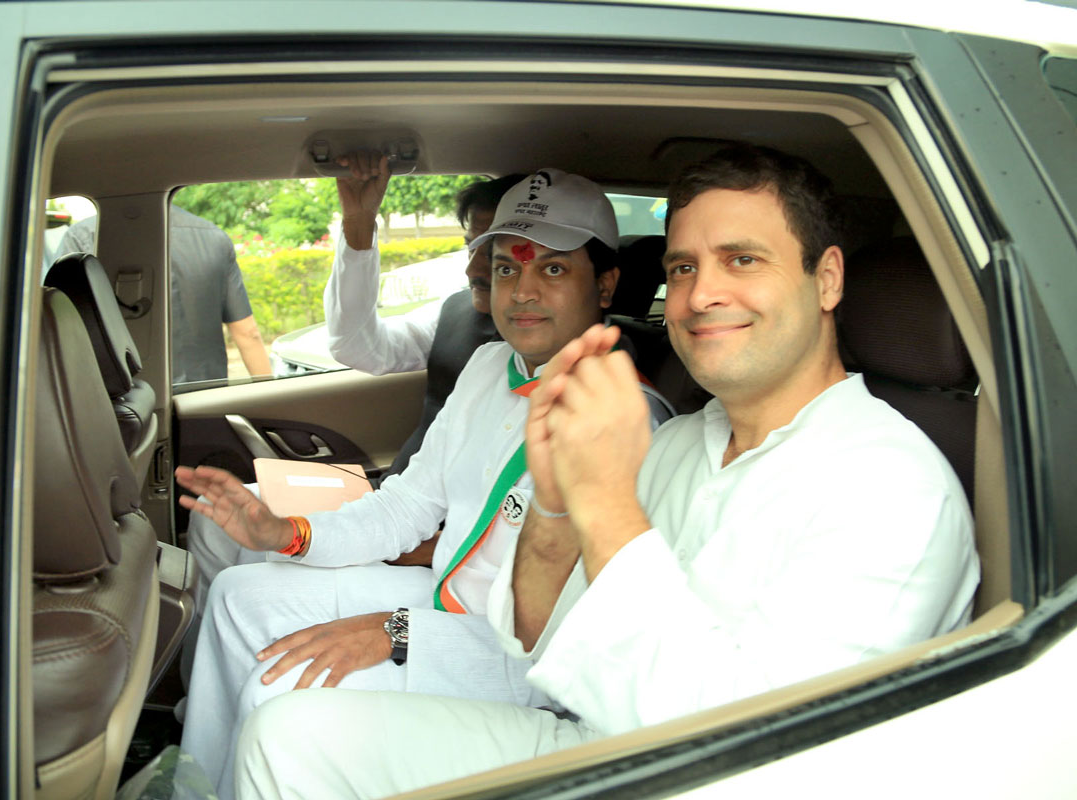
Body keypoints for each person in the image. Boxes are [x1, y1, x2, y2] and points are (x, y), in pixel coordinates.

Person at [231, 145, 980, 800]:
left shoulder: (892, 489)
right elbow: (534, 642)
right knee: (286, 733)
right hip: (597, 730)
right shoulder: (689, 442)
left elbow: (745, 757)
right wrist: (555, 517)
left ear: (826, 280)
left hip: (680, 770)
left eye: (741, 260)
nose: (702, 293)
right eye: (684, 267)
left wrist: (603, 502)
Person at [176, 168, 673, 800]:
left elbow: (564, 636)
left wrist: (402, 630)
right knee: (239, 596)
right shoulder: (492, 365)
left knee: (282, 685)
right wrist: (287, 532)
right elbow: (407, 505)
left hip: (517, 660)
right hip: (447, 599)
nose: (522, 291)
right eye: (505, 269)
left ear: (604, 285)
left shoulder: (628, 418)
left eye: (552, 270)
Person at [325, 150, 525, 476]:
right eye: (471, 246)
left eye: (494, 252)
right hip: (399, 504)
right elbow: (356, 346)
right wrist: (358, 224)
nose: (472, 268)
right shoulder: (454, 313)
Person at [58, 204, 271, 383]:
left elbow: (64, 329)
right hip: (206, 395)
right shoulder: (215, 237)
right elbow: (247, 332)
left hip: (126, 404)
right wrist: (268, 396)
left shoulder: (82, 237)